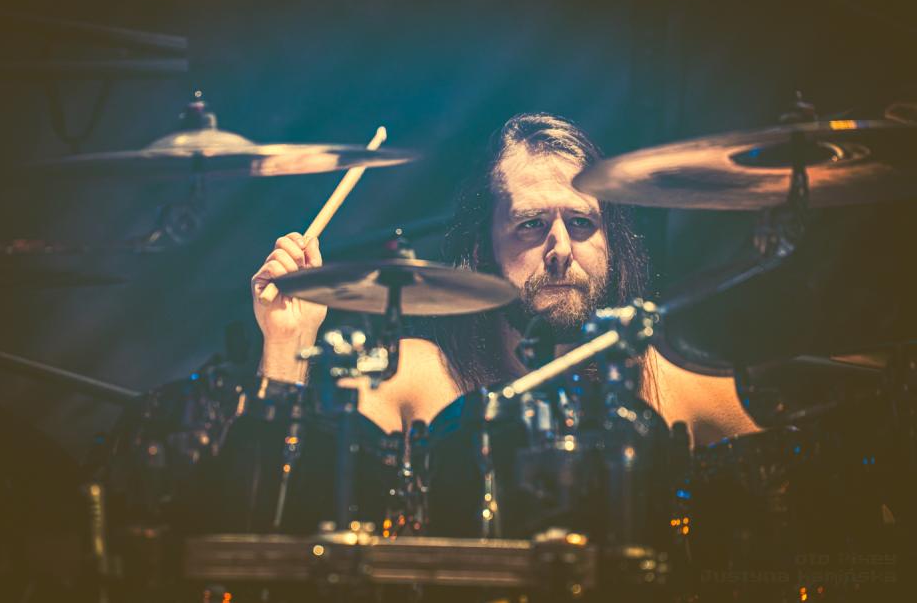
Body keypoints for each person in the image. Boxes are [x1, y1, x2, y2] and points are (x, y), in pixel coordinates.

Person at [251, 113, 759, 446]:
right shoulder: (419, 380)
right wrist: (286, 342)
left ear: (612, 243)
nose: (561, 249)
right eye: (531, 224)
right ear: (483, 250)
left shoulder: (666, 387)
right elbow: (282, 491)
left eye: (582, 222)